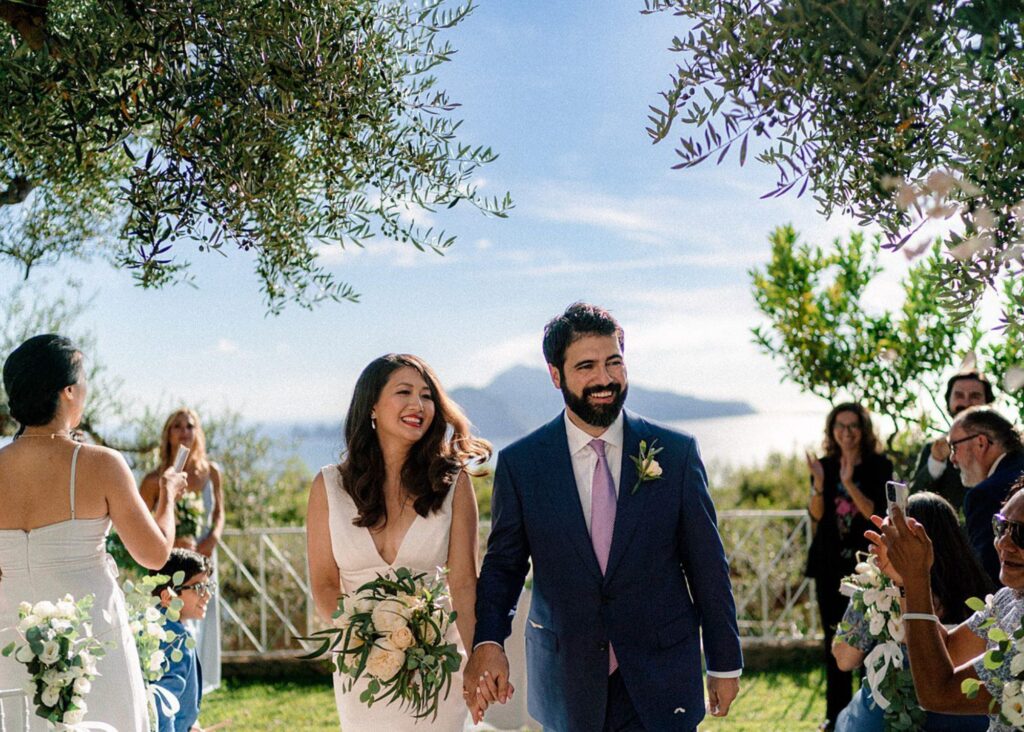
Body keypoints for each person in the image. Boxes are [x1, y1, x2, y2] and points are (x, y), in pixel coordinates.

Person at [466, 302, 742, 732]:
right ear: (556, 375)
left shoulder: (676, 452)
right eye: (587, 366)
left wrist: (724, 662)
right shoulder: (522, 465)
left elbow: (707, 565)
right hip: (565, 680)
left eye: (614, 362)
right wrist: (488, 641)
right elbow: (504, 567)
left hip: (661, 674)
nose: (604, 378)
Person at [0, 334, 186, 731]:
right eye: (83, 379)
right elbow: (154, 555)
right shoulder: (101, 464)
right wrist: (167, 496)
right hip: (92, 641)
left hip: (11, 642)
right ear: (68, 391)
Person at [306, 353, 491, 731]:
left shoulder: (454, 484)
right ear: (371, 405)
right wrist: (368, 638)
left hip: (438, 669)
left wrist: (475, 662)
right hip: (363, 673)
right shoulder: (328, 487)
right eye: (403, 391)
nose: (418, 405)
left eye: (426, 396)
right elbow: (324, 586)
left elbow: (463, 585)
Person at [832, 492, 991, 732]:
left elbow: (844, 659)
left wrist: (871, 594)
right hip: (965, 716)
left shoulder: (881, 587)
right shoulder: (982, 589)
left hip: (886, 721)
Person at [877, 479, 1024, 731]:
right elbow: (951, 650)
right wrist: (904, 582)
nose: (1003, 543)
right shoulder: (1010, 597)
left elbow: (938, 693)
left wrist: (917, 580)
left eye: (1021, 533)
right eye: (1001, 526)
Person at [805, 403, 893, 731]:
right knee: (834, 644)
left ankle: (867, 717)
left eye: (853, 425)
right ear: (832, 430)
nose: (846, 432)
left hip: (867, 568)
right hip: (829, 567)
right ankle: (836, 717)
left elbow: (876, 513)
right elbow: (816, 514)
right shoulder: (824, 466)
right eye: (840, 426)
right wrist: (818, 482)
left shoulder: (879, 465)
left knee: (869, 643)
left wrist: (849, 483)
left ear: (864, 429)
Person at [141, 408, 224, 693]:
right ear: (168, 433)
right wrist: (171, 543)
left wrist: (211, 539)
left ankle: (199, 687)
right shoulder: (154, 480)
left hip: (205, 558)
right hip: (171, 563)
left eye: (189, 425)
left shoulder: (210, 472)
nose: (184, 431)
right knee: (174, 621)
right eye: (177, 426)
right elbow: (143, 524)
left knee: (202, 616)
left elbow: (220, 515)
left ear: (197, 432)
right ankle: (174, 684)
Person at [947, 406, 1024, 585]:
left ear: (981, 443)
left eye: (954, 447)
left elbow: (984, 577)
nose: (952, 459)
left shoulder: (983, 495)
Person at [910, 370, 995, 512]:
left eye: (975, 396)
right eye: (959, 395)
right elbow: (914, 503)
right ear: (949, 402)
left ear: (987, 403)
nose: (967, 402)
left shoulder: (1004, 447)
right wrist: (936, 462)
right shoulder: (932, 450)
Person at [151, 549, 213, 732]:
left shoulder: (151, 624)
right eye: (199, 588)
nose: (207, 595)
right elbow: (163, 704)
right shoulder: (175, 641)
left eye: (209, 587)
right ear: (168, 596)